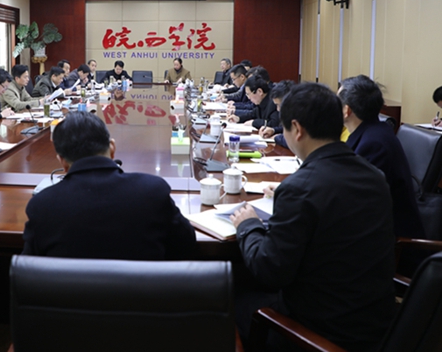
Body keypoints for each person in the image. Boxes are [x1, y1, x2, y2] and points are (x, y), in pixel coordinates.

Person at [230, 82, 395, 352]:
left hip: (319, 333)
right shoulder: (375, 177)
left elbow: (269, 270)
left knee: (226, 292)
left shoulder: (300, 188)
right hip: (376, 325)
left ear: (296, 129)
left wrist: (248, 225)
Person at [22, 111, 197, 259]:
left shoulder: (42, 206)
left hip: (70, 291)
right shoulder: (152, 192)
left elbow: (28, 269)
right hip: (143, 290)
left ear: (62, 162)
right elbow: (186, 246)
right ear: (112, 148)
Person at [339, 75, 425, 239]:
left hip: (391, 243)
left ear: (346, 111)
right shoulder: (373, 131)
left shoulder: (374, 144)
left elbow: (356, 201)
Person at [257, 80, 294, 148]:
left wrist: (277, 138)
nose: (278, 109)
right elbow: (286, 129)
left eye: (278, 105)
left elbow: (294, 140)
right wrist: (273, 130)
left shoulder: (300, 115)